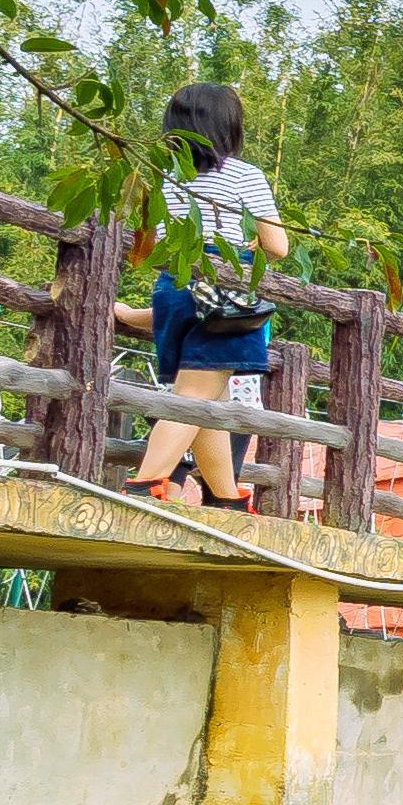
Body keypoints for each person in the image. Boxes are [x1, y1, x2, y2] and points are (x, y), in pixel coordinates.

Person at [127, 82, 288, 508]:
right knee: (196, 394)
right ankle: (145, 482)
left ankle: (227, 496)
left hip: (172, 287)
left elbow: (144, 244)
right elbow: (279, 246)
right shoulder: (243, 175)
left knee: (210, 396)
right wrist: (250, 244)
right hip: (223, 293)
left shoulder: (159, 176)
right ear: (228, 128)